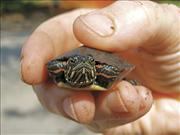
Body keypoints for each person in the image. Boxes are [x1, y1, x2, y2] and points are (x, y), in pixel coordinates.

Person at [20, 1, 180, 135]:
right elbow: (52, 67)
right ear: (68, 66)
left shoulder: (103, 70)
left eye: (88, 63)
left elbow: (112, 70)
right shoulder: (61, 70)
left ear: (93, 66)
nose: (82, 64)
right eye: (75, 62)